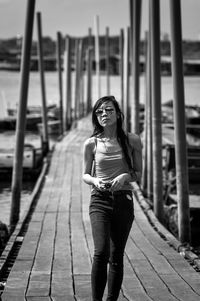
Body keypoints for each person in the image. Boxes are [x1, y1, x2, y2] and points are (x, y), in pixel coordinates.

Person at [82, 95, 142, 301]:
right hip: (99, 199)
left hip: (123, 201)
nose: (104, 114)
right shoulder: (91, 143)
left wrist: (126, 175)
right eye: (99, 111)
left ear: (118, 114)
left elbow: (139, 173)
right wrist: (95, 181)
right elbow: (85, 175)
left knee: (116, 256)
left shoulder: (132, 140)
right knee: (101, 252)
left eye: (108, 110)